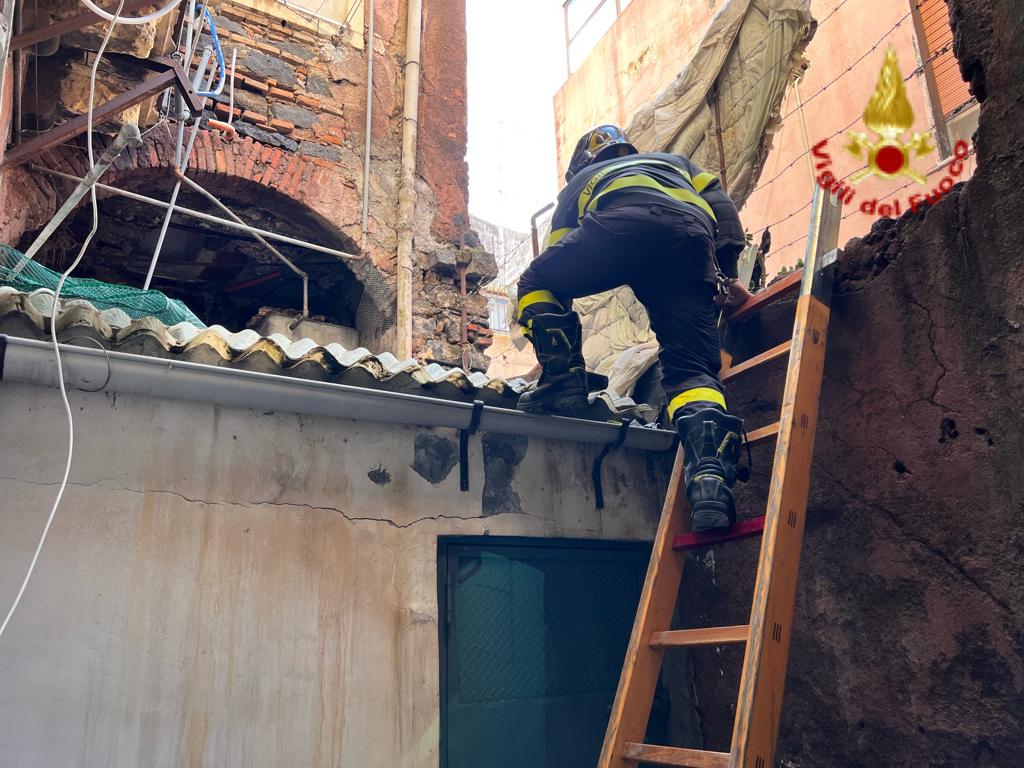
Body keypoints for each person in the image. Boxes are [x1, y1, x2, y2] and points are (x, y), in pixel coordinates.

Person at [515, 125, 753, 532]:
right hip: (690, 237)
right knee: (692, 370)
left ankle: (563, 381)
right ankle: (709, 479)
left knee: (537, 283)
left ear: (580, 166)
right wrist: (725, 274)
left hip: (622, 226)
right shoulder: (674, 163)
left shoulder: (578, 186)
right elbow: (723, 209)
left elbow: (563, 253)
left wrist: (557, 346)